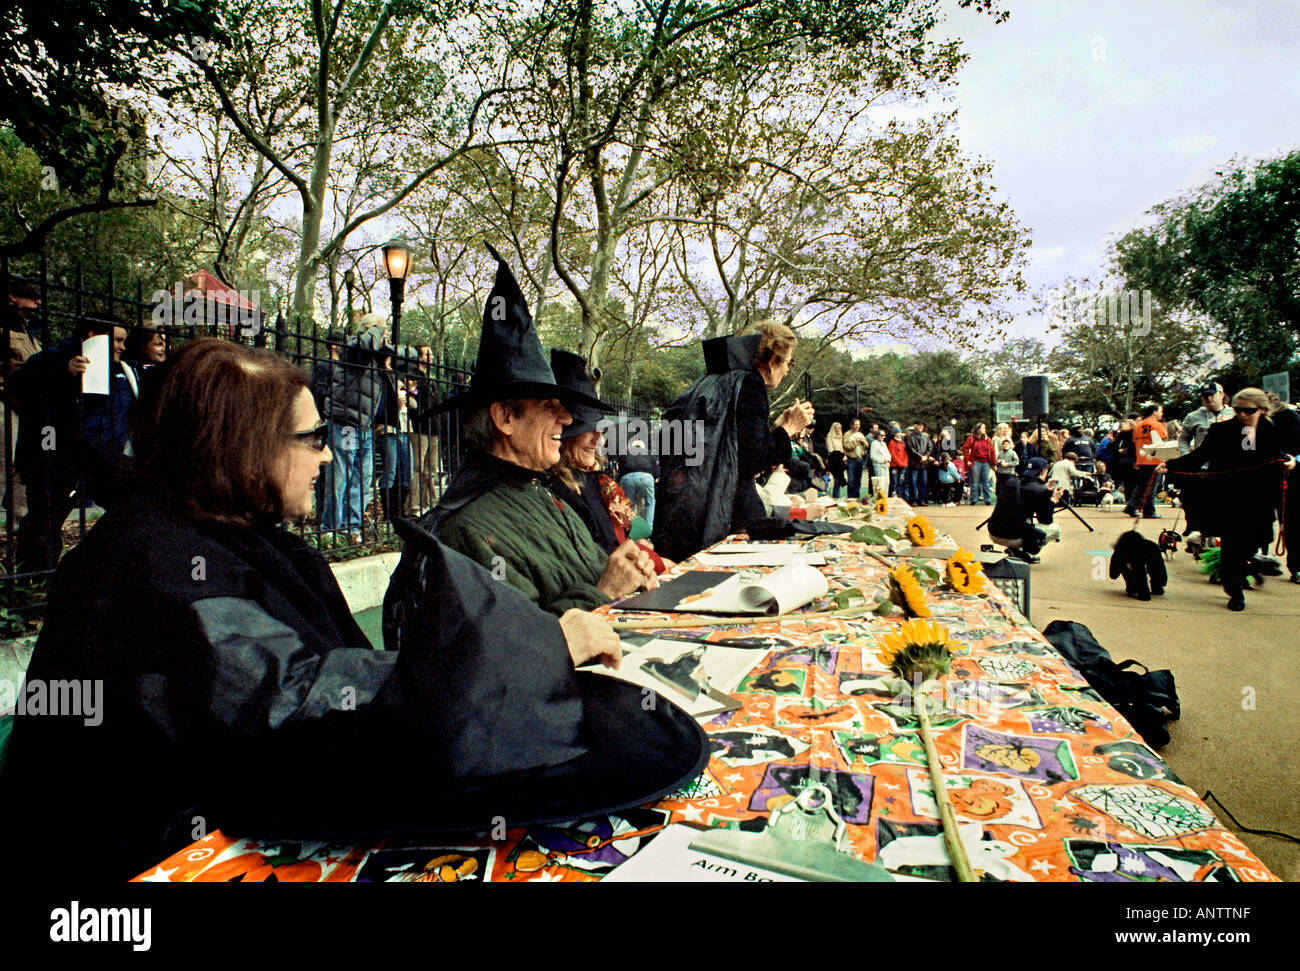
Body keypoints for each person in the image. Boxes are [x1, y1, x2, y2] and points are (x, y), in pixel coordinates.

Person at [1, 337, 707, 881]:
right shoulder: (154, 560)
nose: (329, 458)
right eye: (311, 439)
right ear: (243, 446)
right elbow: (300, 708)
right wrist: (543, 645)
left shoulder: (242, 539)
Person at [420, 248, 657, 614]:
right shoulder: (470, 529)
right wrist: (605, 592)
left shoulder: (544, 494)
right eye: (551, 408)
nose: (566, 420)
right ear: (505, 418)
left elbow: (596, 572)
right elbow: (515, 646)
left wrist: (626, 562)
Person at [651, 320, 813, 562]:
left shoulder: (716, 379)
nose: (788, 369)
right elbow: (751, 461)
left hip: (687, 507)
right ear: (772, 361)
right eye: (789, 362)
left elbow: (731, 446)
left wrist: (776, 428)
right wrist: (789, 429)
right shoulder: (750, 385)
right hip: (724, 515)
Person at [11, 315, 139, 571]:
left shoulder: (120, 369)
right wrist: (65, 374)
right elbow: (19, 390)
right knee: (45, 521)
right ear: (93, 335)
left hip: (91, 456)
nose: (122, 347)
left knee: (129, 506)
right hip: (48, 457)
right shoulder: (50, 359)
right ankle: (31, 579)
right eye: (117, 340)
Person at [1162, 388, 1297, 610]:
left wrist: (1290, 461)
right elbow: (1199, 456)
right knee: (1232, 547)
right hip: (1229, 498)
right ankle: (1235, 591)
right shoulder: (1221, 431)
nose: (1242, 415)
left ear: (1262, 410)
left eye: (1248, 411)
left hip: (1260, 500)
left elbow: (1279, 455)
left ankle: (1243, 567)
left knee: (1254, 543)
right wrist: (1169, 466)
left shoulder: (1271, 430)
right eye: (1238, 410)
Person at [548, 351, 673, 575]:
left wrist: (644, 546)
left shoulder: (599, 481)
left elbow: (633, 529)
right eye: (589, 430)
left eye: (600, 430)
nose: (600, 439)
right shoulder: (557, 488)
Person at [319, 314, 390, 544]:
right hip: (346, 425)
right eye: (382, 330)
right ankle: (330, 528)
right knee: (341, 477)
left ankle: (353, 528)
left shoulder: (375, 358)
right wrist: (377, 331)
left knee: (363, 478)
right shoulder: (353, 347)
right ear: (369, 331)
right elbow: (363, 344)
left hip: (366, 427)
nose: (386, 335)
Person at [2, 294, 41, 521]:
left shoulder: (29, 328)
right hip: (5, 404)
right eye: (32, 298)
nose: (37, 304)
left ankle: (18, 540)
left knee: (21, 472)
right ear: (12, 296)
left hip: (27, 408)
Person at [987, 457, 1063, 564]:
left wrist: (1043, 488)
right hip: (1012, 537)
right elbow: (1046, 520)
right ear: (1043, 471)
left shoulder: (1012, 482)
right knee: (1055, 529)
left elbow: (1026, 493)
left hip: (994, 532)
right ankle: (1024, 550)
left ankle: (1015, 550)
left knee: (1020, 518)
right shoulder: (1041, 491)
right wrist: (1053, 500)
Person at [1125, 403, 1166, 519]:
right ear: (1154, 412)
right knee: (1151, 486)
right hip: (1154, 459)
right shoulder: (1158, 425)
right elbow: (1162, 441)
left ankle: (1132, 506)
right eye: (1160, 411)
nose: (1161, 414)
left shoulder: (1138, 426)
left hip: (1142, 459)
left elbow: (1134, 444)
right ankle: (1148, 510)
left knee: (1142, 485)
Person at [963, 423, 995, 505]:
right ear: (978, 429)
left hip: (986, 462)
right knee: (975, 481)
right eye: (982, 428)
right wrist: (967, 459)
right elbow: (965, 448)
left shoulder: (988, 439)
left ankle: (987, 499)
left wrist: (993, 462)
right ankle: (974, 499)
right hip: (975, 461)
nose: (984, 429)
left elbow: (992, 451)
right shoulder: (972, 438)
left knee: (986, 481)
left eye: (985, 428)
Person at [903, 421, 932, 505]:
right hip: (914, 463)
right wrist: (920, 457)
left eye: (922, 425)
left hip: (924, 463)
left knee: (923, 482)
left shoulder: (925, 437)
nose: (920, 427)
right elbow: (910, 449)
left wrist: (926, 456)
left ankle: (922, 500)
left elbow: (930, 447)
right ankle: (913, 500)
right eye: (919, 425)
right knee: (913, 482)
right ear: (914, 426)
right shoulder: (909, 437)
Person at [842, 418, 867, 500]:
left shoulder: (860, 434)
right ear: (851, 425)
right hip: (851, 459)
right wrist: (855, 442)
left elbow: (867, 445)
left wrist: (862, 441)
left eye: (858, 425)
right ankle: (851, 497)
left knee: (858, 480)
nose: (857, 426)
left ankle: (857, 497)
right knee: (851, 480)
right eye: (856, 424)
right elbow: (847, 447)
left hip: (860, 459)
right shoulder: (847, 434)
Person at [868, 427, 891, 499]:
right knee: (880, 484)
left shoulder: (884, 444)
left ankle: (885, 498)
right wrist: (882, 460)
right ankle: (880, 499)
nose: (884, 437)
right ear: (877, 435)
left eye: (884, 435)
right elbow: (873, 456)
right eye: (882, 435)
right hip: (879, 466)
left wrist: (888, 460)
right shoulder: (874, 443)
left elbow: (888, 453)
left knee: (887, 483)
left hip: (886, 465)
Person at [825, 420, 846, 499]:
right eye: (836, 428)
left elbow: (842, 449)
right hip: (833, 460)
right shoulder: (829, 437)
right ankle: (835, 496)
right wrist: (841, 454)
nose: (838, 430)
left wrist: (843, 455)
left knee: (839, 479)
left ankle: (837, 496)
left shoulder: (841, 437)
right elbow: (831, 450)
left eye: (839, 428)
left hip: (840, 461)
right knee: (836, 479)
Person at [888, 428, 908, 497]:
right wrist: (900, 463)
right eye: (898, 432)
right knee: (894, 482)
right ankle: (894, 495)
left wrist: (905, 463)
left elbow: (906, 454)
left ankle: (900, 496)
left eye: (900, 432)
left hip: (902, 466)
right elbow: (893, 455)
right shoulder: (892, 443)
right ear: (895, 434)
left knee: (901, 481)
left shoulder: (903, 442)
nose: (899, 434)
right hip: (895, 466)